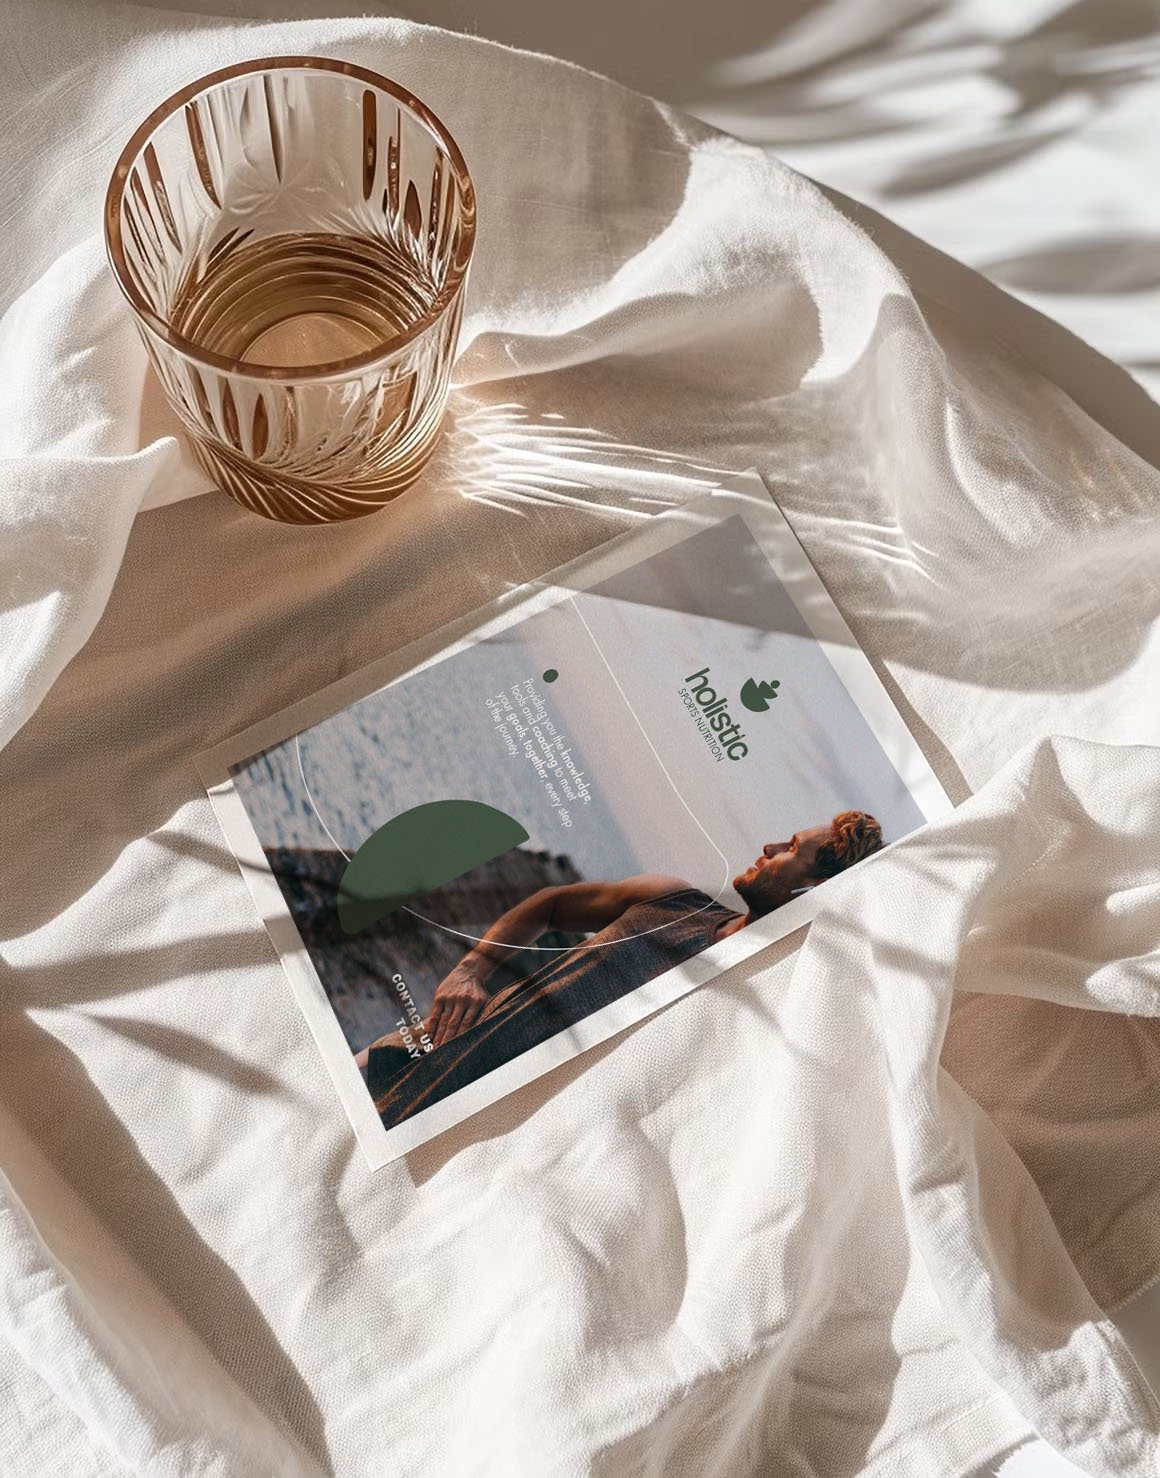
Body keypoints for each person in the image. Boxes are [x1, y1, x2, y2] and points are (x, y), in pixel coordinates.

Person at [358, 810, 883, 1126]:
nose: (768, 848)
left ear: (812, 890)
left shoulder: (759, 1009)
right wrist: (469, 971)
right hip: (406, 1056)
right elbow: (551, 904)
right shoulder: (677, 899)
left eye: (792, 849)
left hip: (465, 1125)